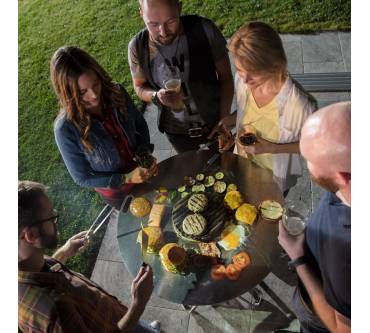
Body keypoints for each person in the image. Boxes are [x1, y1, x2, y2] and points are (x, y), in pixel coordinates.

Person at [18, 180, 161, 333]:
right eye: (51, 217)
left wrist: (64, 252)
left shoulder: (25, 261)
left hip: (110, 316)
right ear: (31, 235)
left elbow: (46, 275)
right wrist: (138, 304)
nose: (56, 220)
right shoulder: (55, 312)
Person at [214, 22, 317, 193]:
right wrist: (233, 118)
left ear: (274, 65)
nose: (245, 80)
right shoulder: (243, 81)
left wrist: (272, 148)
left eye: (253, 72)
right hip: (242, 166)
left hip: (273, 180)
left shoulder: (301, 106)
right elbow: (247, 109)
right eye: (239, 69)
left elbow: (313, 147)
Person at [52, 46, 158, 209]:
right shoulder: (65, 129)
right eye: (82, 92)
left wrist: (144, 155)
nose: (94, 95)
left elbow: (140, 124)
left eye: (96, 84)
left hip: (143, 173)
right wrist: (126, 178)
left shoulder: (117, 93)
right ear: (67, 93)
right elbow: (82, 177)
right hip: (118, 193)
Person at [278, 102, 351, 333]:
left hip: (319, 318)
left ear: (342, 176)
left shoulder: (347, 254)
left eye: (309, 159)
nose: (307, 166)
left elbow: (340, 328)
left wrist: (298, 258)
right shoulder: (346, 185)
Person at [128, 0, 234, 153]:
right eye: (153, 24)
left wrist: (224, 120)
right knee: (191, 175)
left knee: (227, 170)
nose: (163, 32)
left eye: (170, 21)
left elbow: (226, 78)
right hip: (177, 133)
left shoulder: (204, 30)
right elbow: (139, 86)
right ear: (141, 13)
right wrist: (155, 96)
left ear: (179, 7)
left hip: (215, 123)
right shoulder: (137, 47)